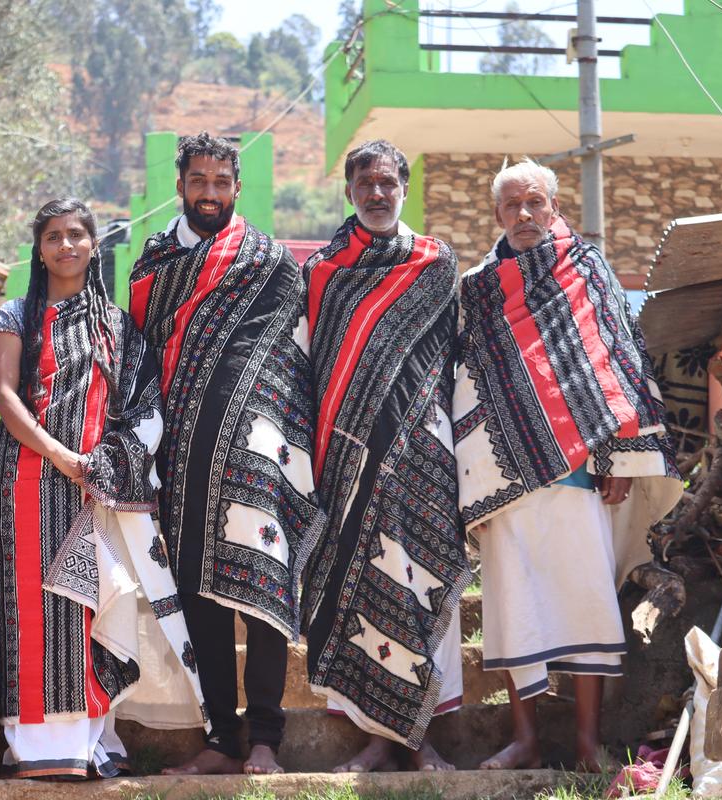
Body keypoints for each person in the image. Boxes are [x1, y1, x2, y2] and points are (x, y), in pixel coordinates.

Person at [454, 158, 682, 771]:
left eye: (535, 203)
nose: (525, 215)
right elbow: (470, 374)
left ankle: (586, 745)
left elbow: (615, 360)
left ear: (554, 208)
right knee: (512, 606)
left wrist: (620, 459)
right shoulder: (477, 286)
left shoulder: (587, 269)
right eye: (512, 206)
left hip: (583, 473)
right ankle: (525, 740)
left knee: (587, 602)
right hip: (505, 477)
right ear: (496, 214)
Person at [0, 198, 206, 780]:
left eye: (76, 235)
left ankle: (87, 739)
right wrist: (62, 457)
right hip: (28, 481)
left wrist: (104, 464)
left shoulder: (116, 325)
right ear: (39, 248)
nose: (66, 246)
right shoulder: (15, 315)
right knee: (28, 607)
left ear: (93, 245)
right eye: (54, 236)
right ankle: (30, 744)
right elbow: (5, 396)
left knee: (86, 608)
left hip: (94, 488)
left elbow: (140, 405)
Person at [130, 132, 324, 776]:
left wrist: (271, 431)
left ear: (236, 187)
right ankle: (220, 738)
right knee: (198, 597)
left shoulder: (268, 259)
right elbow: (139, 355)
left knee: (263, 586)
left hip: (257, 453)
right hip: (179, 454)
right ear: (180, 186)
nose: (209, 192)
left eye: (221, 182)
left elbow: (291, 352)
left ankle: (266, 735)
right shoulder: (154, 263)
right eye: (198, 181)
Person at [300, 140, 470, 773]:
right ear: (349, 192)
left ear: (404, 189)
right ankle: (378, 737)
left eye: (388, 183)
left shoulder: (435, 263)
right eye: (365, 184)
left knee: (417, 577)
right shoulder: (322, 270)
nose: (377, 194)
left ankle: (419, 733)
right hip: (345, 461)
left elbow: (454, 356)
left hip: (424, 451)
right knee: (361, 586)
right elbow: (309, 364)